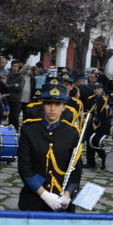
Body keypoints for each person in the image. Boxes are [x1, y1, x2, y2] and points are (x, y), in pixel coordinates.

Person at [17, 83, 82, 211]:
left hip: (62, 200)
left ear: (64, 107)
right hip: (34, 199)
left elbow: (76, 168)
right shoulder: (29, 130)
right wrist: (44, 194)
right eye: (48, 104)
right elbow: (24, 167)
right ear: (43, 105)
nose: (53, 108)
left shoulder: (72, 132)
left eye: (57, 104)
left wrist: (68, 194)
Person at [85, 82, 110, 169]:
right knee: (89, 142)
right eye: (95, 88)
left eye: (98, 88)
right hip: (91, 124)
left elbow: (104, 113)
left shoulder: (104, 100)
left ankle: (104, 160)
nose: (96, 90)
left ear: (102, 90)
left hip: (101, 125)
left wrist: (98, 117)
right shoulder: (90, 98)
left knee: (97, 142)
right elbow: (88, 109)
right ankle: (90, 161)